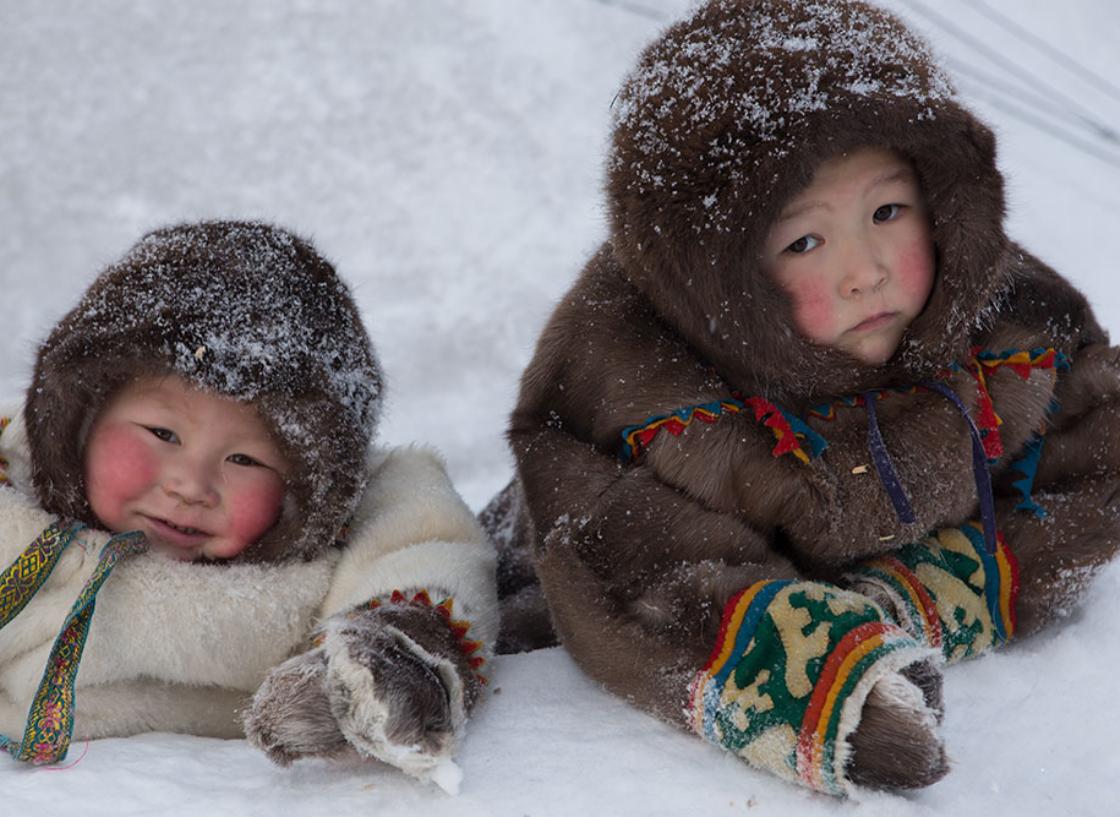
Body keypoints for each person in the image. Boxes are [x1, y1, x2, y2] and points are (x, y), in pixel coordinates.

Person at [483, 0, 1120, 796]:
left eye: (888, 211)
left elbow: (1100, 441)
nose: (867, 270)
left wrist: (943, 585)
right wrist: (823, 682)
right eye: (805, 241)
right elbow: (634, 569)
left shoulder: (1005, 317)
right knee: (476, 592)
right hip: (548, 533)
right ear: (720, 274)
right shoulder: (633, 379)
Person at [0, 220, 498, 791]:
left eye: (244, 461)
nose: (191, 485)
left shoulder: (340, 519)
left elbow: (428, 548)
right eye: (162, 433)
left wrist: (389, 662)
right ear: (81, 417)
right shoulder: (14, 482)